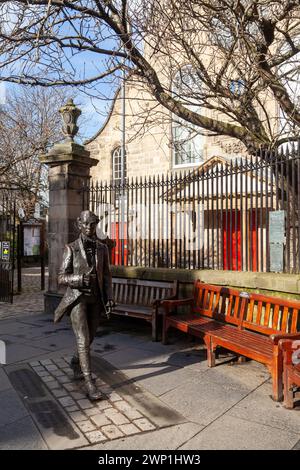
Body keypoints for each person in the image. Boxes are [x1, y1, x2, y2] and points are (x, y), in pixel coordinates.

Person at [54, 210, 114, 401]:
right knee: (83, 339)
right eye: (86, 224)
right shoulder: (71, 248)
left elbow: (107, 275)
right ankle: (89, 383)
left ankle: (75, 361)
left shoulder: (102, 249)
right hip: (77, 299)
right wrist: (79, 278)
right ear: (79, 225)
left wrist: (109, 296)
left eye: (93, 224)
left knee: (90, 338)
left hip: (96, 300)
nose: (89, 228)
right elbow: (61, 277)